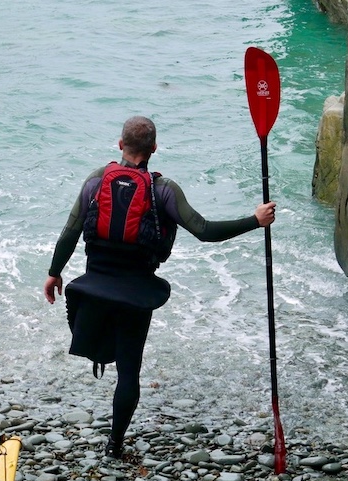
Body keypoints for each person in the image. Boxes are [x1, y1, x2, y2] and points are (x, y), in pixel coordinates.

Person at [43, 116, 276, 460]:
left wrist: (54, 272)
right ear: (154, 148)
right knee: (129, 370)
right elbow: (205, 230)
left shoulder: (96, 180)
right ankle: (114, 445)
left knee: (104, 346)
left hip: (94, 286)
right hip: (137, 292)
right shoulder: (164, 189)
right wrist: (254, 221)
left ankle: (100, 365)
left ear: (120, 145)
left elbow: (70, 232)